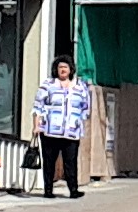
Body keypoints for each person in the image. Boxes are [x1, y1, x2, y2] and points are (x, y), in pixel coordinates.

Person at [33, 58, 93, 197]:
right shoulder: (48, 85)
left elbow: (86, 107)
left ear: (71, 69)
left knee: (70, 162)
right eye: (60, 67)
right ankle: (48, 190)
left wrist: (79, 122)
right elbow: (38, 106)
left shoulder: (80, 86)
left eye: (65, 67)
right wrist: (36, 125)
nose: (63, 70)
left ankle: (73, 190)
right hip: (50, 131)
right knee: (49, 162)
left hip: (71, 131)